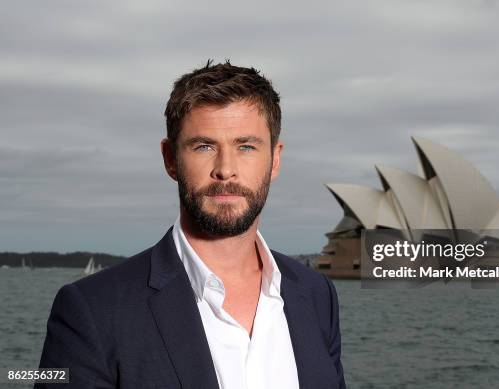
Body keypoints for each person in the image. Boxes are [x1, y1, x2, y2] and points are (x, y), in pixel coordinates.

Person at [36, 60, 346, 389]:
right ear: (170, 159)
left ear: (275, 159)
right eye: (203, 146)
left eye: (246, 147)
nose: (226, 169)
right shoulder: (92, 310)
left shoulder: (316, 294)